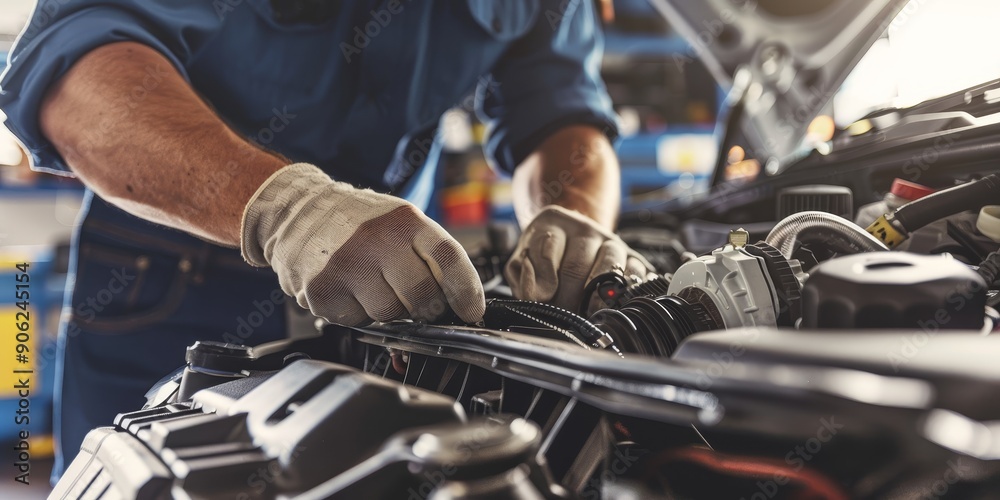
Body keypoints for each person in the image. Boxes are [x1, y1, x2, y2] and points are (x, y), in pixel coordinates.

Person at [0, 0, 651, 480]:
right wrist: (286, 210)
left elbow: (561, 110)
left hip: (391, 284)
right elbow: (73, 77)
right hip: (176, 270)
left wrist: (578, 217)